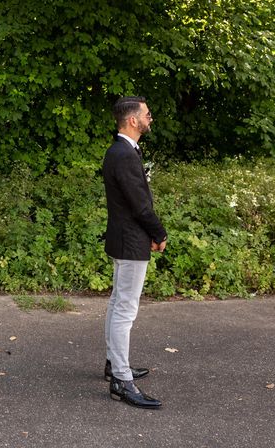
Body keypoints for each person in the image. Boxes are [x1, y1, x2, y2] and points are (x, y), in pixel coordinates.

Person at [102, 96, 167, 409]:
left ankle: (114, 365)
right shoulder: (124, 155)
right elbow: (140, 205)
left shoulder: (119, 151)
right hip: (130, 242)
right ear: (132, 120)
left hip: (122, 239)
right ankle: (121, 379)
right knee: (125, 308)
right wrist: (158, 233)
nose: (150, 118)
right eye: (147, 114)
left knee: (117, 303)